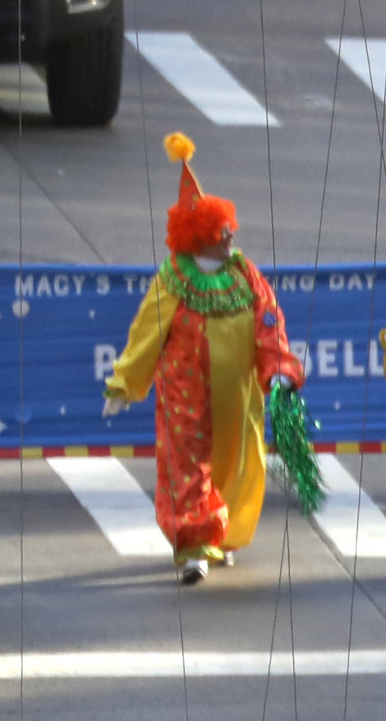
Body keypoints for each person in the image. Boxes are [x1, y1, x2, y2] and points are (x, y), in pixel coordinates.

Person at [102, 134, 310, 586]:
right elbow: (146, 332)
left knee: (236, 462)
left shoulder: (244, 273)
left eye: (229, 228)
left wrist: (279, 370)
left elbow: (269, 323)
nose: (231, 235)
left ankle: (224, 534)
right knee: (188, 466)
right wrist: (124, 384)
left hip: (238, 395)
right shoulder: (174, 279)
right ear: (199, 238)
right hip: (187, 394)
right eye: (221, 232)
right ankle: (194, 545)